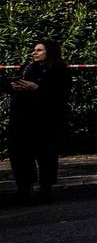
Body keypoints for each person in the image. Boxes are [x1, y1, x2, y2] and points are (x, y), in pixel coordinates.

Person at [3, 40, 71, 204]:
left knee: (46, 156)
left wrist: (38, 89)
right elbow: (16, 82)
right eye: (34, 50)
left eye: (39, 50)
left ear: (50, 52)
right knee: (20, 155)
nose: (34, 53)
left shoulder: (59, 70)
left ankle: (45, 191)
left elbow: (61, 95)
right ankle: (24, 189)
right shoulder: (28, 67)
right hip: (21, 120)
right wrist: (12, 86)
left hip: (46, 122)